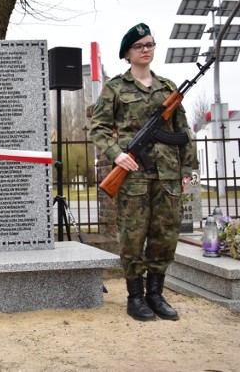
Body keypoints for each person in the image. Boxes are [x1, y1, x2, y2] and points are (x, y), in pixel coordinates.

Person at [90, 23, 195, 322]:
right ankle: (135, 297)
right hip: (133, 175)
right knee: (133, 236)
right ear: (128, 53)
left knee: (165, 235)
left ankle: (156, 294)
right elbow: (98, 128)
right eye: (140, 46)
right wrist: (117, 155)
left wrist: (186, 168)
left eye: (150, 44)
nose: (146, 49)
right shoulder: (115, 88)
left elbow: (182, 131)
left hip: (168, 175)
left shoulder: (167, 88)